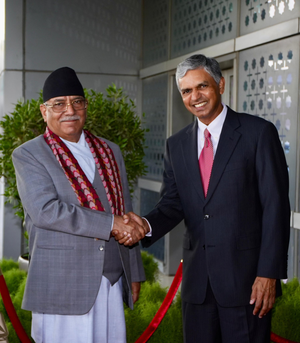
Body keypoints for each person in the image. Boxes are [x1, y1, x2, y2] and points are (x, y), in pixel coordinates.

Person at [114, 54, 291, 342]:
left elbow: (276, 208)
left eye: (202, 86)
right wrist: (145, 225)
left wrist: (268, 274)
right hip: (197, 287)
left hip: (247, 284)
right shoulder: (177, 145)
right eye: (186, 91)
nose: (195, 96)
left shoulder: (258, 133)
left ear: (220, 85)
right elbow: (173, 204)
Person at [12, 67, 146, 343]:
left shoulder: (110, 151)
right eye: (59, 104)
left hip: (110, 281)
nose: (69, 110)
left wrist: (134, 272)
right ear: (43, 111)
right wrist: (111, 224)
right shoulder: (29, 154)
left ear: (86, 107)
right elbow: (46, 211)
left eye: (77, 102)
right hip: (62, 282)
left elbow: (126, 211)